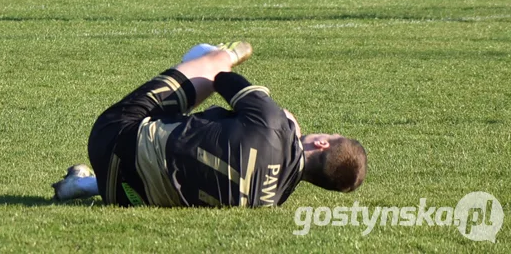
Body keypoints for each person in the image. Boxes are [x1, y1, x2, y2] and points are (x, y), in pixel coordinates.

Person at [51, 42, 366, 208]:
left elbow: (223, 80)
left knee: (213, 59)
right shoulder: (273, 199)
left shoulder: (274, 124)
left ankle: (221, 47)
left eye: (328, 134)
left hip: (113, 136)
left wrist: (271, 105)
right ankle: (81, 185)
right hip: (122, 194)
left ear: (322, 144)